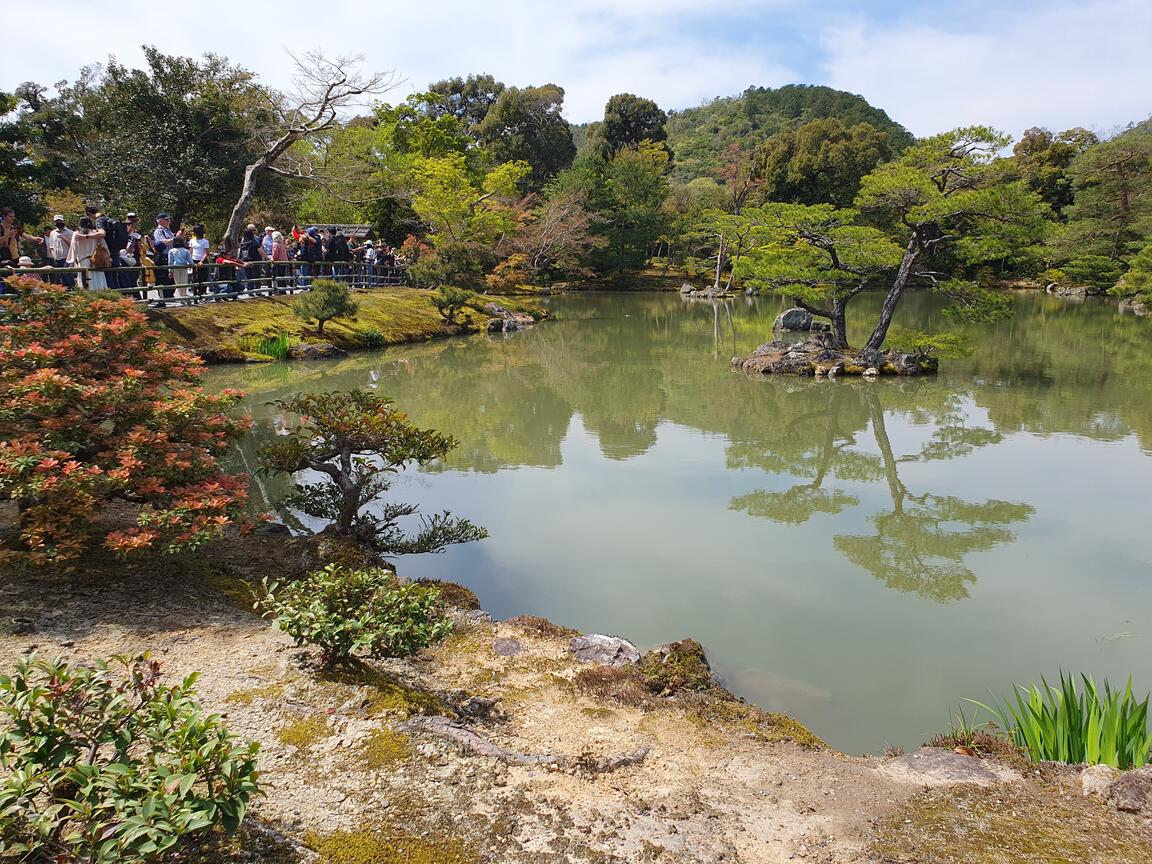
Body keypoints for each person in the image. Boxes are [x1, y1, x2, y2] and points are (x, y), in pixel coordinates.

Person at [66, 216, 109, 290]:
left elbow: (73, 248)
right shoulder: (95, 233)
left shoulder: (77, 234)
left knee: (85, 283)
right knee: (98, 282)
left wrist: (71, 262)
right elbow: (104, 246)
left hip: (83, 262)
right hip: (96, 261)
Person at [152, 213, 177, 300]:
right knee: (163, 277)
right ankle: (164, 297)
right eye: (167, 220)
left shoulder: (169, 230)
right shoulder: (158, 231)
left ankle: (170, 295)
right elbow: (163, 242)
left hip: (172, 256)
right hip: (163, 257)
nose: (169, 221)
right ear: (161, 221)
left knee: (171, 277)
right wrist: (175, 239)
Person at [188, 224, 212, 296]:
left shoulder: (205, 241)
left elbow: (206, 253)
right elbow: (191, 251)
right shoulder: (192, 241)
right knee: (194, 278)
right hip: (194, 260)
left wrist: (201, 261)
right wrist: (190, 261)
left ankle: (202, 293)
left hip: (202, 260)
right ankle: (195, 293)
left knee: (203, 277)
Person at [167, 236, 193, 301]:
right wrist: (193, 265)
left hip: (175, 267)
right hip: (184, 267)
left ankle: (181, 298)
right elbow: (190, 261)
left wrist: (170, 271)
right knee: (184, 282)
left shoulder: (171, 251)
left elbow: (170, 262)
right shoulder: (186, 251)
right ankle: (184, 296)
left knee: (178, 283)